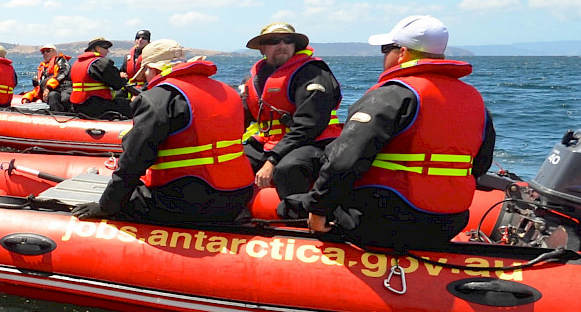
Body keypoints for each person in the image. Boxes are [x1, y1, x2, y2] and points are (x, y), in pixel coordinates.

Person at [281, 15, 496, 251]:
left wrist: (318, 209)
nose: (384, 56)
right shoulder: (474, 100)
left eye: (386, 49)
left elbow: (343, 162)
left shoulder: (393, 94)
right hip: (450, 222)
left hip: (385, 221)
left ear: (402, 53)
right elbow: (481, 164)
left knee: (289, 206)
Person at [72, 40, 254, 226]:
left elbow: (133, 161)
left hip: (188, 202)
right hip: (238, 197)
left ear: (152, 69)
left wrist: (106, 207)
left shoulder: (158, 98)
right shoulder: (227, 91)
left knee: (125, 203)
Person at [239, 22, 342, 199]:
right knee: (234, 163)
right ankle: (236, 217)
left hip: (313, 142)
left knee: (289, 168)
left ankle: (297, 219)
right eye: (273, 41)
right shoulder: (253, 80)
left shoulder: (313, 73)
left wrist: (272, 160)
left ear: (295, 46)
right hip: (269, 142)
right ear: (262, 48)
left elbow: (309, 125)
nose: (282, 45)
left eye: (287, 40)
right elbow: (241, 118)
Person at [68, 38, 130, 120]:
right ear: (97, 48)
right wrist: (122, 78)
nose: (108, 51)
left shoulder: (76, 63)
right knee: (127, 104)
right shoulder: (101, 63)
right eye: (106, 48)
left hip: (77, 105)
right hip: (96, 105)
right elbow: (117, 84)